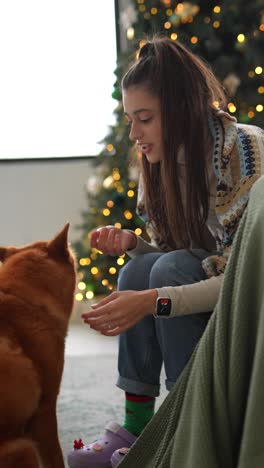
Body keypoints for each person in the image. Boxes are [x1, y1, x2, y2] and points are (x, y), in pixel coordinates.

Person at [67, 35, 264, 468]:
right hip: (202, 294)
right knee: (139, 272)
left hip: (250, 301)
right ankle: (137, 426)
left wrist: (154, 300)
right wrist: (135, 246)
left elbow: (241, 275)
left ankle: (186, 421)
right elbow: (175, 258)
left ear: (180, 111)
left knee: (162, 274)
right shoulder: (156, 163)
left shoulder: (243, 151)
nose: (134, 134)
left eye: (145, 119)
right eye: (130, 119)